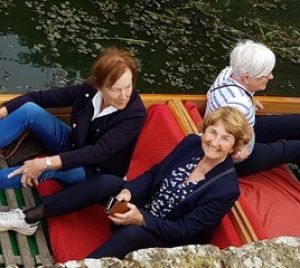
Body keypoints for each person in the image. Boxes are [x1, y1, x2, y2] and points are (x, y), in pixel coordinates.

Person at [0, 107, 250, 259]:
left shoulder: (226, 189)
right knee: (107, 183)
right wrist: (129, 193)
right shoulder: (190, 144)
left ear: (235, 146)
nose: (215, 142)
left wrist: (141, 219)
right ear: (204, 131)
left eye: (225, 138)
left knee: (132, 233)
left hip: (162, 239)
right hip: (131, 213)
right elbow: (153, 175)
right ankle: (28, 217)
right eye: (212, 132)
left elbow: (184, 232)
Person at [0, 48, 146, 188]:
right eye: (116, 89)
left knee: (46, 168)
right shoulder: (88, 91)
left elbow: (97, 152)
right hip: (73, 145)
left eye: (128, 87)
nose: (124, 96)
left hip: (93, 172)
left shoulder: (135, 115)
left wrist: (45, 163)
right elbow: (39, 97)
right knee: (29, 110)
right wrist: (3, 111)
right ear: (99, 86)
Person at [205, 39, 300, 176]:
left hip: (245, 129)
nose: (271, 77)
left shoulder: (228, 72)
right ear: (247, 77)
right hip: (241, 160)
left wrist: (250, 99)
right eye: (266, 75)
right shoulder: (239, 106)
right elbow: (221, 139)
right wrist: (240, 149)